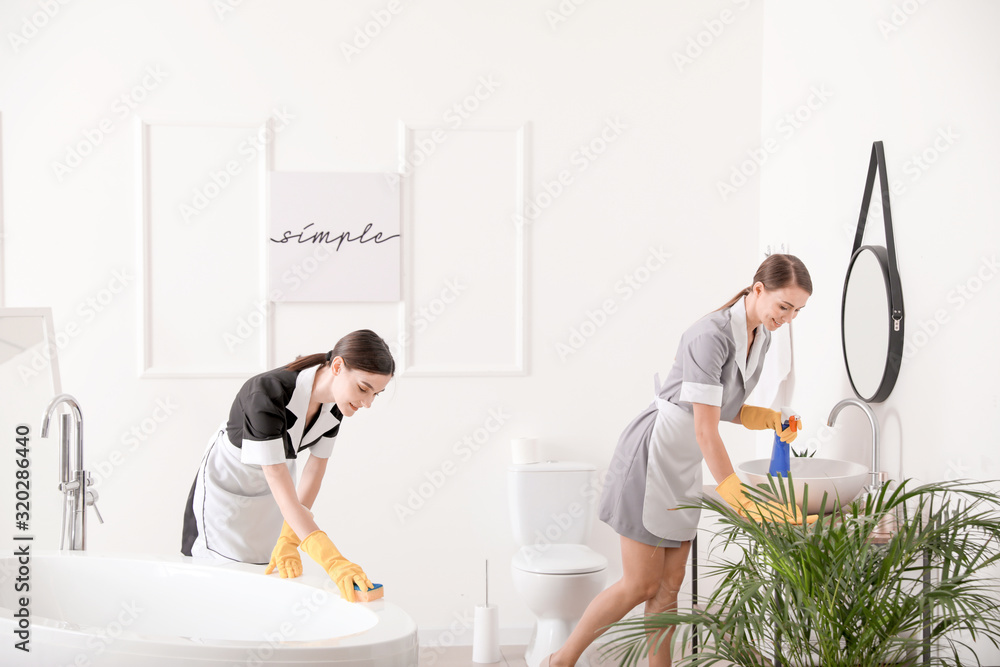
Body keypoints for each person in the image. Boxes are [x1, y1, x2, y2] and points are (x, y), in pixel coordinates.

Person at [543, 254, 813, 667]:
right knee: (639, 584)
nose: (789, 318)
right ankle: (559, 661)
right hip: (654, 455)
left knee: (670, 587)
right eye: (784, 306)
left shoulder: (762, 336)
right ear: (759, 290)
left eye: (797, 311)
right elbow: (705, 427)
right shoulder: (710, 335)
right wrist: (734, 493)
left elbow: (722, 407)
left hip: (685, 460)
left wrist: (770, 419)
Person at [181, 329, 394, 603]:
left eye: (376, 394)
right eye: (364, 388)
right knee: (220, 581)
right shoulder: (266, 393)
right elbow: (274, 471)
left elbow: (314, 472)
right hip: (229, 489)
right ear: (338, 366)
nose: (367, 403)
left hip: (277, 491)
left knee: (260, 582)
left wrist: (290, 538)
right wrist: (333, 561)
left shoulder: (336, 405)